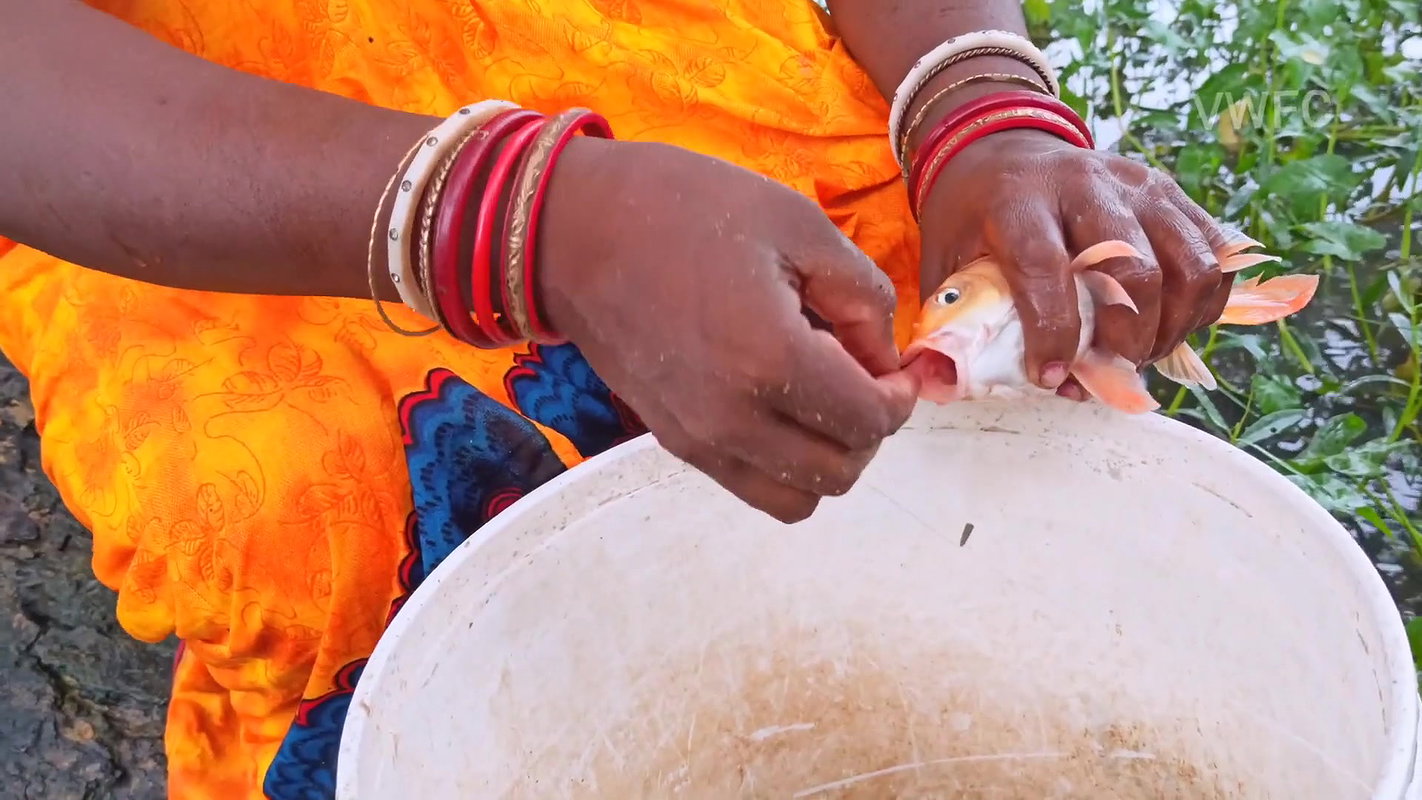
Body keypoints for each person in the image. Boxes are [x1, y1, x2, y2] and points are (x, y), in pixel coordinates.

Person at [0, 0, 1234, 796]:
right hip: (155, 106)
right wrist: (523, 224)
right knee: (318, 515)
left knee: (941, 327)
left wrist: (977, 103)